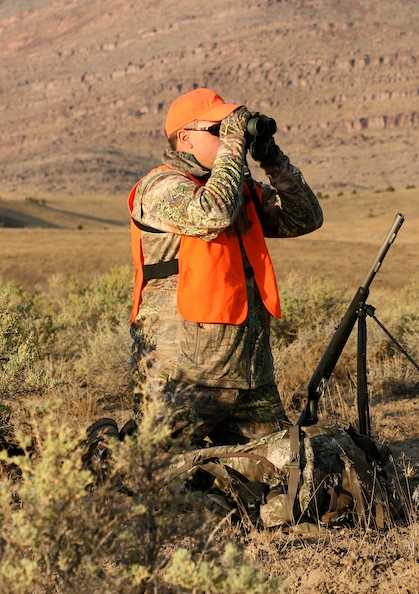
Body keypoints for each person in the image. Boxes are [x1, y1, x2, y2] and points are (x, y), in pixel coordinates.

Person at [128, 87, 323, 448]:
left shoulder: (238, 190)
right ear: (184, 138)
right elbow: (212, 214)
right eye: (218, 129)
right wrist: (234, 144)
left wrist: (273, 159)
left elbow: (305, 217)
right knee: (161, 485)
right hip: (183, 376)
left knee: (277, 475)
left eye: (231, 129)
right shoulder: (160, 186)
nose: (229, 136)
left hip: (250, 374)